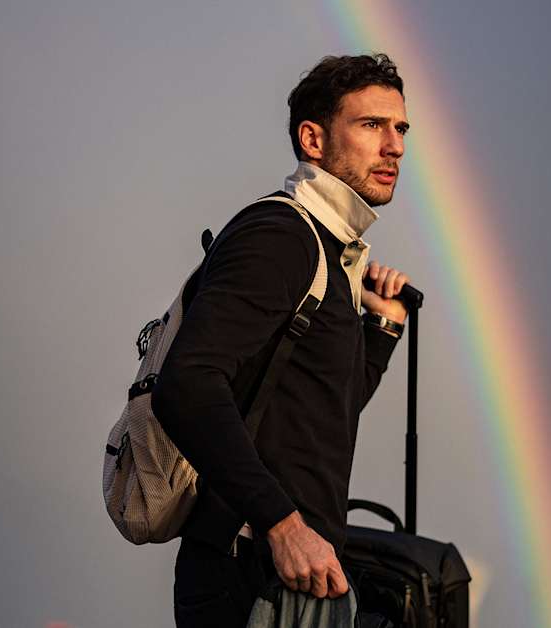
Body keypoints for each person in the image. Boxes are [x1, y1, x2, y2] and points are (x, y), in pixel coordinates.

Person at [151, 53, 413, 628]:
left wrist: (383, 327)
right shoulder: (280, 235)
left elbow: (324, 412)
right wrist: (282, 524)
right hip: (249, 570)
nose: (394, 146)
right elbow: (187, 385)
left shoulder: (330, 252)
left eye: (400, 129)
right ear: (313, 139)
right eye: (371, 125)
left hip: (296, 575)